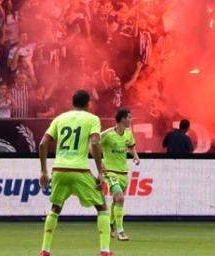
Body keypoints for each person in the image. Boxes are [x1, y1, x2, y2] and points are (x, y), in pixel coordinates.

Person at [38, 89, 111, 256]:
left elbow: (42, 144)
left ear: (73, 103)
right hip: (79, 169)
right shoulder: (92, 119)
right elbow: (94, 143)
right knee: (101, 206)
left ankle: (45, 250)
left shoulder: (60, 118)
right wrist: (100, 172)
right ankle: (105, 251)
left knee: (55, 207)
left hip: (59, 169)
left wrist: (43, 171)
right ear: (88, 104)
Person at [100, 108, 140, 242]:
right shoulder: (108, 134)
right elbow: (93, 144)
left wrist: (135, 156)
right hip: (111, 172)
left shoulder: (128, 133)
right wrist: (99, 162)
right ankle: (120, 231)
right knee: (121, 198)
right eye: (129, 117)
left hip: (123, 172)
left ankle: (111, 223)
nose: (131, 120)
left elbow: (131, 146)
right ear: (122, 119)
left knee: (116, 200)